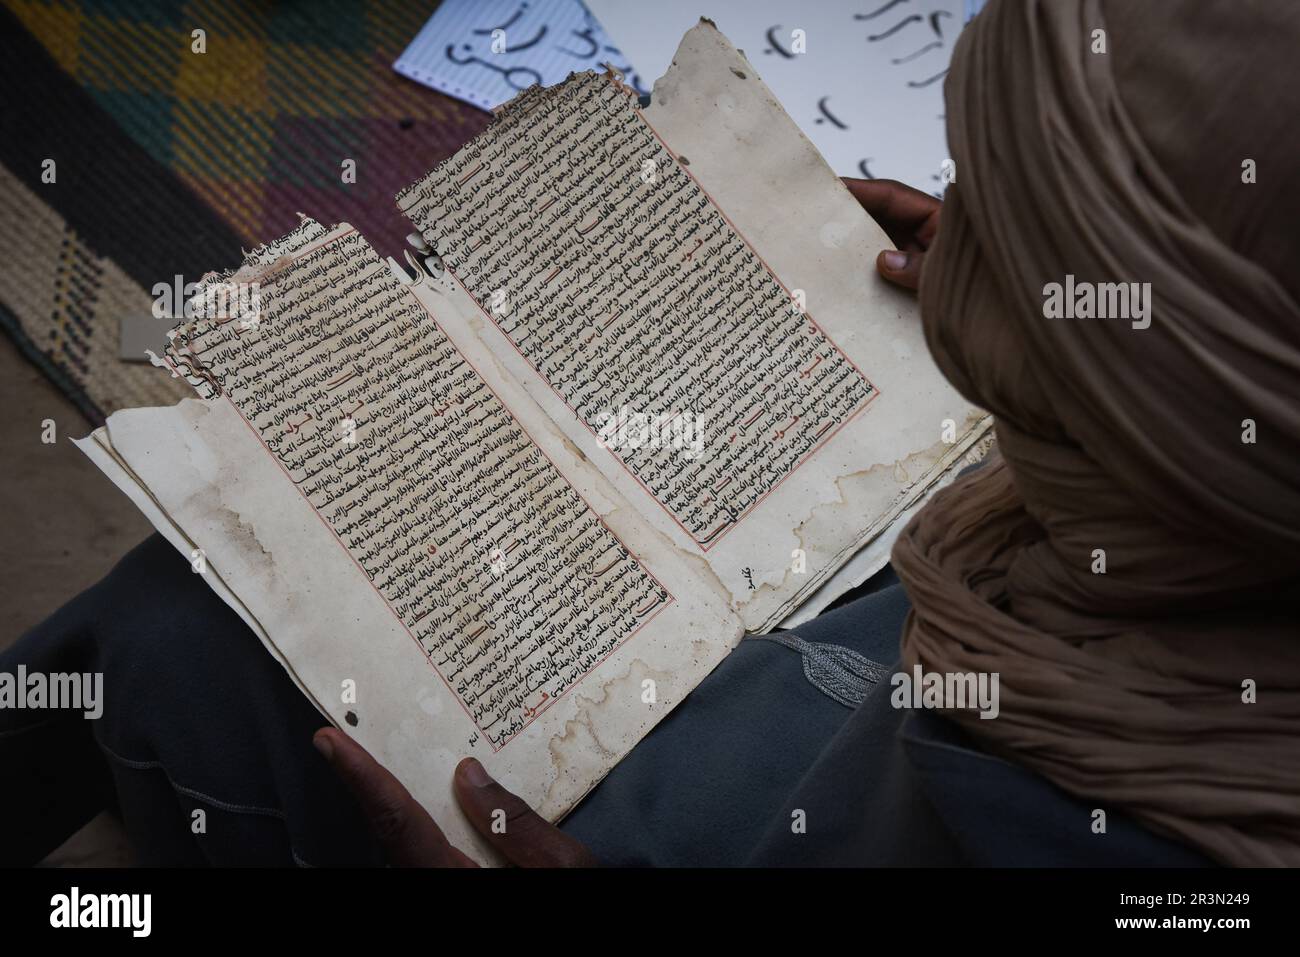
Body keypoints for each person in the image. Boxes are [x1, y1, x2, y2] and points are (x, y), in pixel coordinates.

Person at [4, 0, 1297, 867]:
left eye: (1010, 213)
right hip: (982, 601)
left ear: (1167, 406)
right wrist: (1045, 316)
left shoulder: (1115, 831)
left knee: (190, 629)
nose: (952, 207)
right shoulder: (1211, 483)